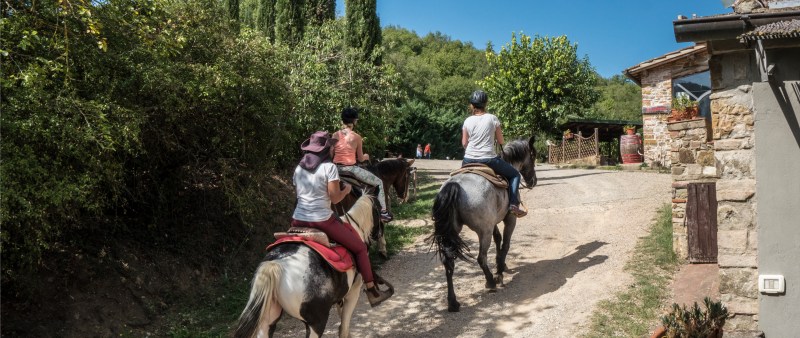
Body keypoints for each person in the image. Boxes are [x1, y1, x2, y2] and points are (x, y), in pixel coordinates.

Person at [292, 131, 393, 306]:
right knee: (360, 248)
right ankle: (372, 290)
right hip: (322, 220)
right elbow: (335, 199)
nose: (333, 149)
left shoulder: (298, 169)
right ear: (325, 150)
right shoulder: (328, 167)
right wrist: (346, 190)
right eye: (331, 146)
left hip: (297, 220)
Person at [461, 90, 527, 217]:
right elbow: (501, 141)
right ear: (486, 104)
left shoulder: (467, 120)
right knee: (515, 175)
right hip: (488, 160)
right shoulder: (492, 118)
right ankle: (513, 204)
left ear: (472, 105)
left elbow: (464, 143)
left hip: (468, 160)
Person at [332, 107, 393, 222]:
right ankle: (384, 212)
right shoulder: (356, 137)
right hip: (350, 169)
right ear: (354, 121)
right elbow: (360, 158)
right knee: (379, 183)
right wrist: (366, 156)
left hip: (335, 169)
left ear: (342, 120)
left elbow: (331, 153)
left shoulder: (335, 135)